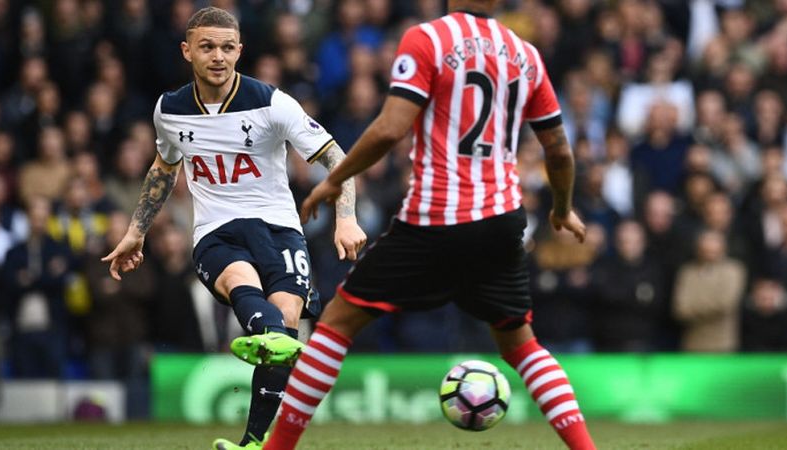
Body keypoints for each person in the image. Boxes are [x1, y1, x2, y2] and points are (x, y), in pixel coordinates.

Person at [264, 1, 596, 449]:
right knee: (521, 344)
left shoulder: (428, 39)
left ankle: (276, 448)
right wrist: (561, 206)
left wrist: (335, 179)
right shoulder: (526, 54)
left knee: (338, 322)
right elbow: (558, 150)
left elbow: (389, 128)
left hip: (437, 215)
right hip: (501, 219)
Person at [99, 7, 366, 449]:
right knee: (257, 303)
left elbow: (338, 158)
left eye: (227, 47)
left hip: (280, 229)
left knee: (285, 328)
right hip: (216, 233)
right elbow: (165, 168)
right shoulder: (169, 110)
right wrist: (136, 230)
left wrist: (347, 216)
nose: (218, 57)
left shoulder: (272, 103)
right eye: (207, 47)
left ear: (240, 50)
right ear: (187, 51)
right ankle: (264, 330)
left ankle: (252, 441)